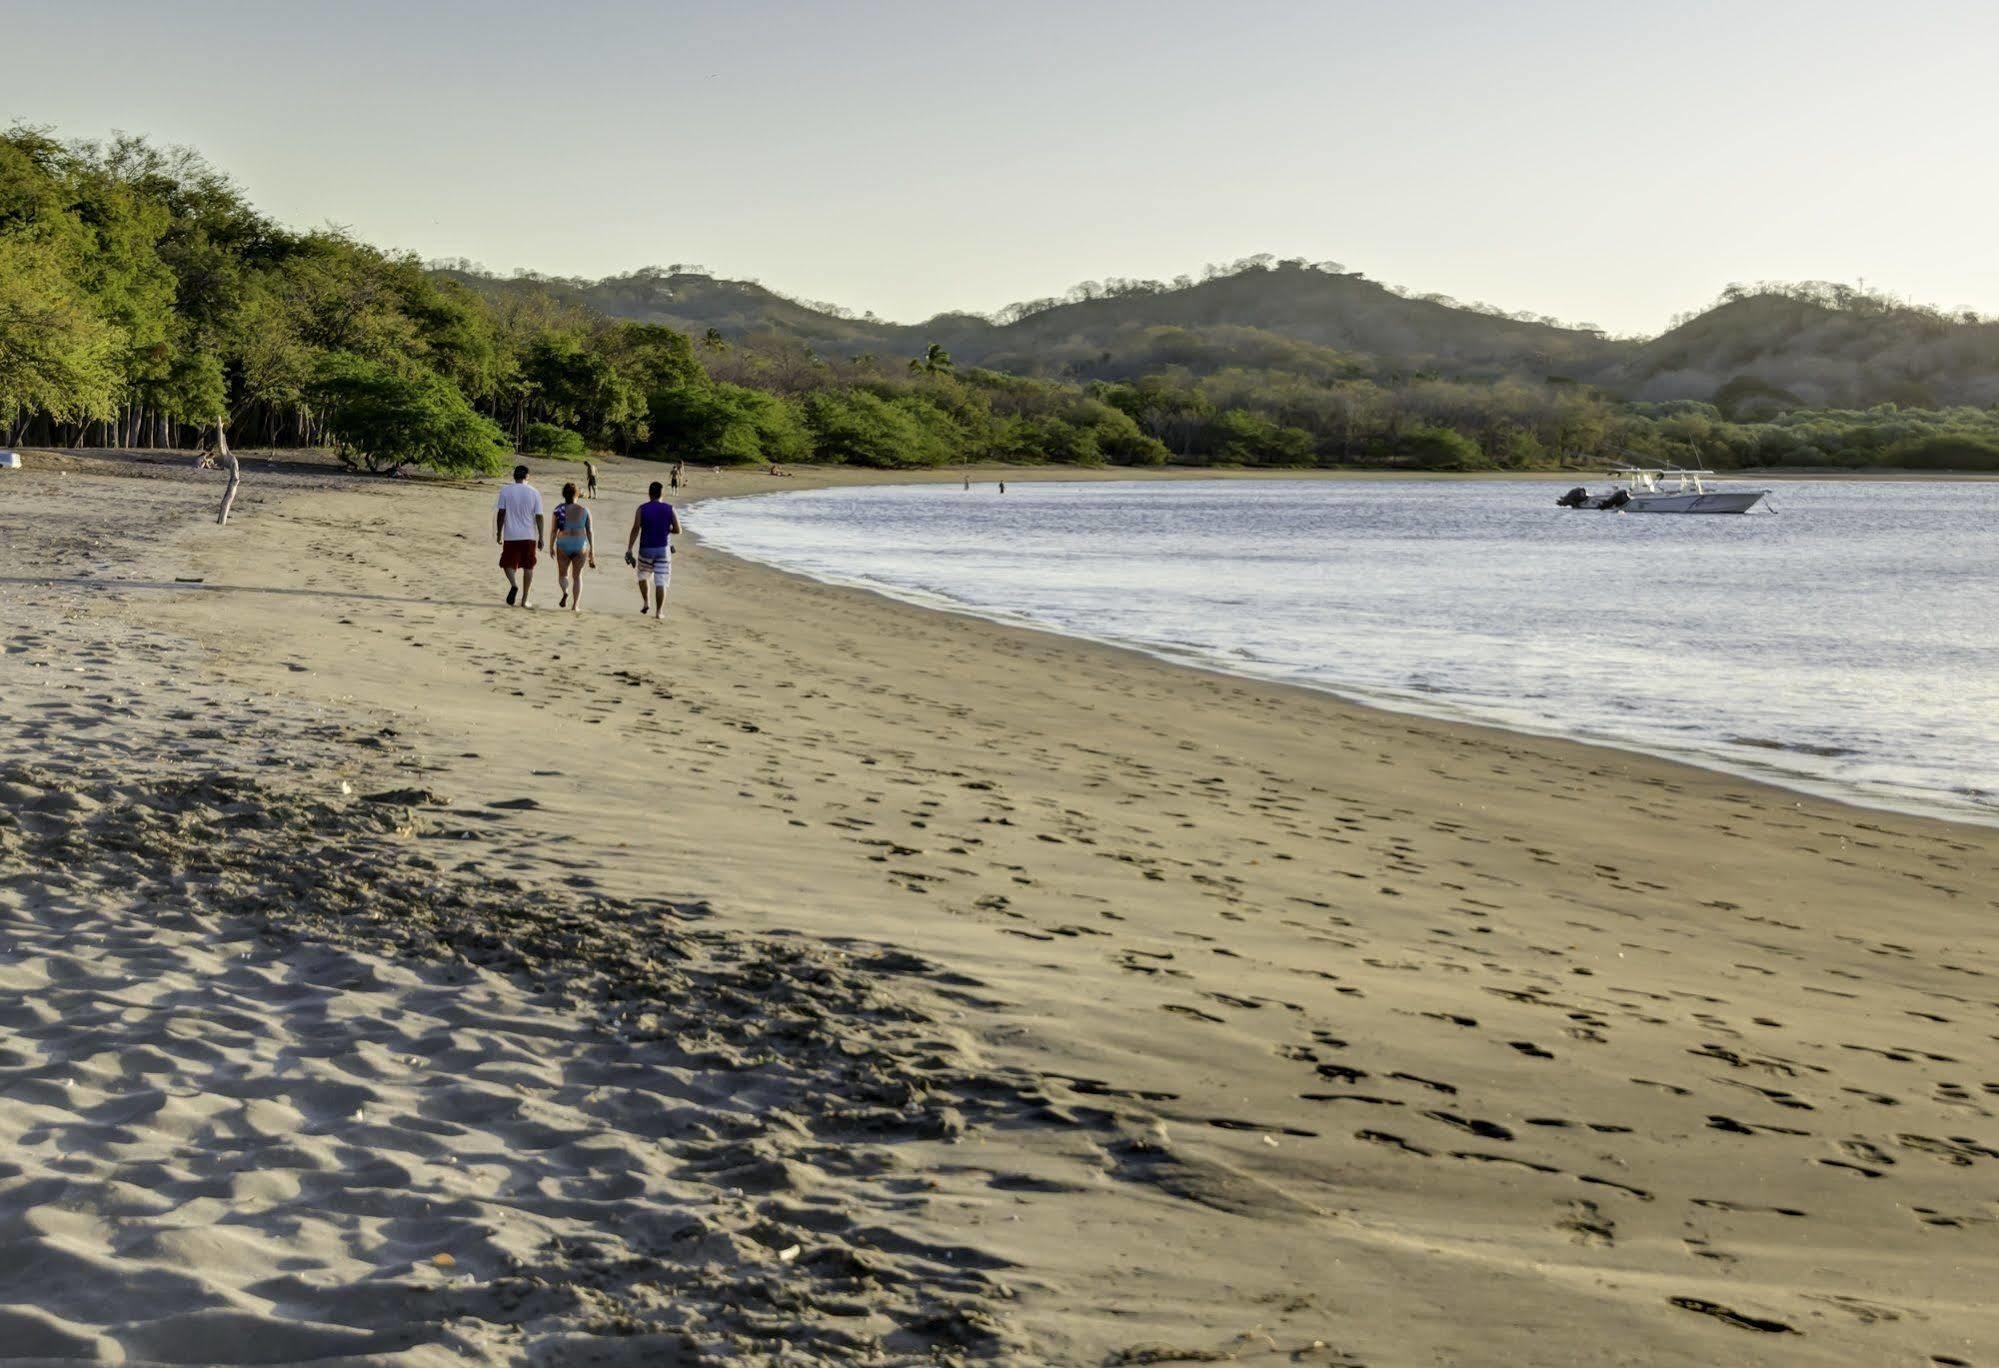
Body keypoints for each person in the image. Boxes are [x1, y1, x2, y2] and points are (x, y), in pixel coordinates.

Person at [624, 481, 681, 619]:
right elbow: (678, 530)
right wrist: (667, 529)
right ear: (662, 494)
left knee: (643, 576)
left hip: (646, 549)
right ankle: (659, 612)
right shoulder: (670, 508)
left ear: (649, 494)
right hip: (663, 550)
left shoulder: (642, 509)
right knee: (661, 581)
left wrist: (630, 548)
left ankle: (646, 602)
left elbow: (636, 528)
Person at [494, 464, 545, 607]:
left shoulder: (505, 491)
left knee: (506, 563)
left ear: (514, 476)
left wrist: (499, 533)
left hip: (510, 535)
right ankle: (524, 599)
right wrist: (541, 536)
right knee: (529, 567)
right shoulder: (534, 492)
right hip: (529, 535)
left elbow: (501, 514)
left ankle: (514, 584)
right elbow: (539, 516)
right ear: (527, 477)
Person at [550, 481, 595, 611]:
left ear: (564, 494)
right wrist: (592, 552)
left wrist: (551, 546)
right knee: (577, 576)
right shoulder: (584, 510)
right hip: (580, 544)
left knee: (563, 575)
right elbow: (590, 532)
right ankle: (575, 606)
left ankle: (565, 591)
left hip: (563, 543)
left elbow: (554, 530)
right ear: (577, 495)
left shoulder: (558, 509)